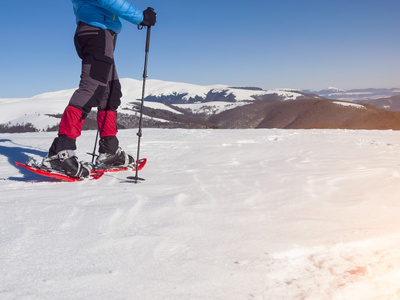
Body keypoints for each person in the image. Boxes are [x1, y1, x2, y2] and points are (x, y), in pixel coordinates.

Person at [42, 0, 157, 178]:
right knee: (92, 89)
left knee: (110, 92)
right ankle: (60, 151)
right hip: (97, 33)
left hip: (98, 33)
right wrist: (141, 17)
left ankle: (109, 151)